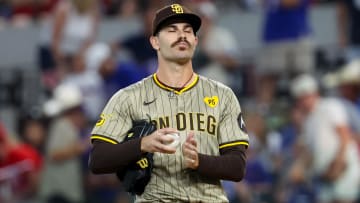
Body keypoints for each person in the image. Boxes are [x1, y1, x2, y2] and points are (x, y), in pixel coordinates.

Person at [89, 3, 249, 202]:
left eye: (187, 31)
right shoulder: (128, 97)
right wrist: (142, 144)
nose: (181, 36)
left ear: (195, 41)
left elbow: (237, 167)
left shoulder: (222, 95)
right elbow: (98, 160)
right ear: (155, 42)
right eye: (172, 30)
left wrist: (200, 161)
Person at [290, 74, 360, 203]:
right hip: (326, 175)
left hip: (344, 170)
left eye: (306, 96)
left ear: (314, 94)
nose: (304, 101)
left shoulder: (329, 107)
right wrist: (299, 167)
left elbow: (344, 136)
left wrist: (339, 163)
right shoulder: (308, 120)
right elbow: (309, 151)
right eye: (301, 98)